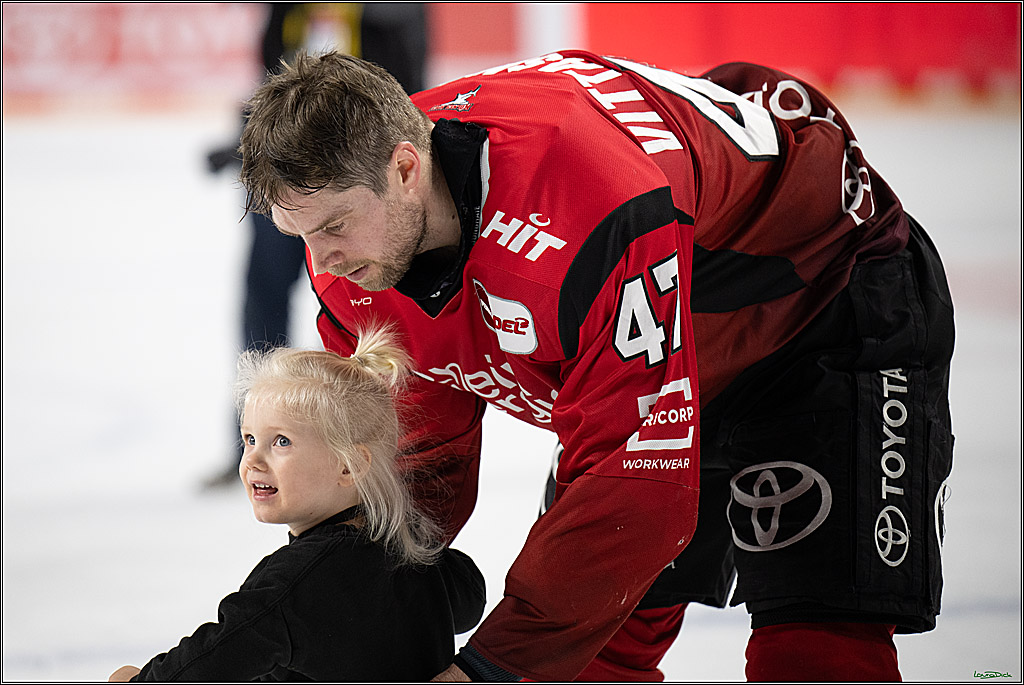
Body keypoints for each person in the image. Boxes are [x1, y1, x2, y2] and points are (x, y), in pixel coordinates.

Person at [237, 49, 955, 682]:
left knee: (817, 645)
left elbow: (638, 484)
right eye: (298, 233)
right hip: (675, 324)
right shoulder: (362, 246)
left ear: (404, 167)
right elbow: (418, 474)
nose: (321, 264)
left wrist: (485, 671)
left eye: (332, 225)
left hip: (825, 295)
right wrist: (306, 621)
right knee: (590, 656)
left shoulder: (585, 203)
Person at [108, 329, 486, 681]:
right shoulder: (410, 547)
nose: (254, 460)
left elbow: (215, 653)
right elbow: (469, 598)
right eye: (250, 439)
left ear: (349, 465)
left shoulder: (297, 582)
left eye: (281, 442)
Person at [203, 2, 428, 490]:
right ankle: (255, 437)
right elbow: (277, 100)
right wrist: (241, 144)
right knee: (261, 302)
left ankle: (379, 445)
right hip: (286, 188)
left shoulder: (391, 14)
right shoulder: (286, 13)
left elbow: (408, 103)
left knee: (372, 310)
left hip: (355, 191)